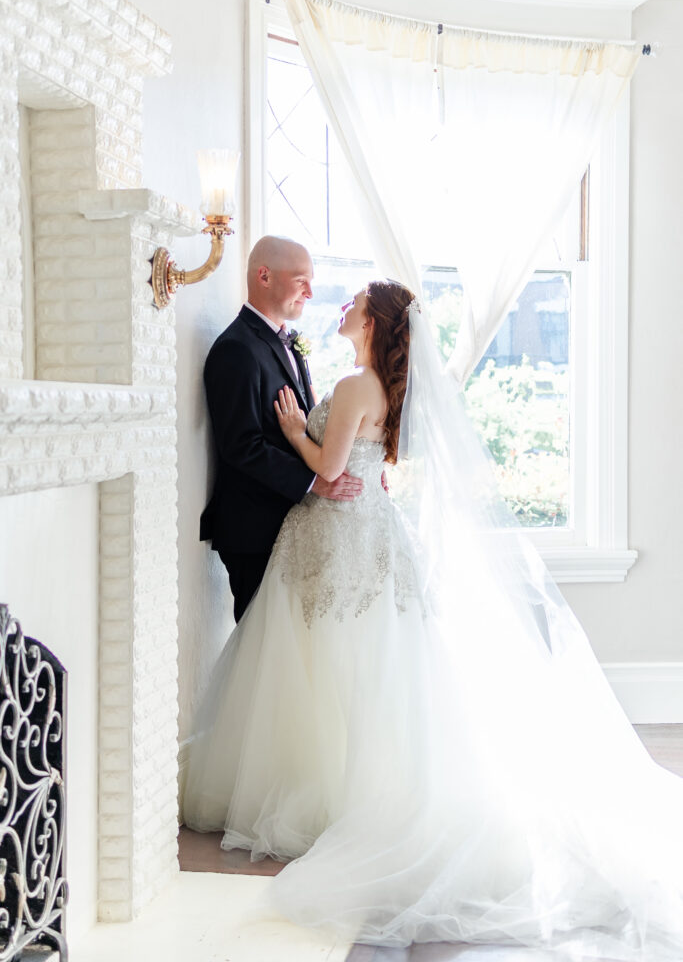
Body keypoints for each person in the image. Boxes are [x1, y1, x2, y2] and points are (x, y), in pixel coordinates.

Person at [185, 280, 683, 960]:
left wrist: (297, 432)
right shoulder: (378, 387)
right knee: (361, 670)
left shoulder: (360, 383)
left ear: (374, 321)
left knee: (326, 666)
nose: (341, 305)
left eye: (354, 300)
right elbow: (364, 464)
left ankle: (329, 798)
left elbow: (330, 469)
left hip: (339, 538)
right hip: (356, 536)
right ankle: (337, 787)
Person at [199, 235, 362, 621]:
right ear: (264, 276)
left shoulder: (284, 342)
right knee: (262, 654)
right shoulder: (236, 349)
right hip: (255, 531)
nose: (310, 291)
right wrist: (316, 483)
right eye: (301, 279)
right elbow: (242, 445)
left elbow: (307, 425)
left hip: (288, 525)